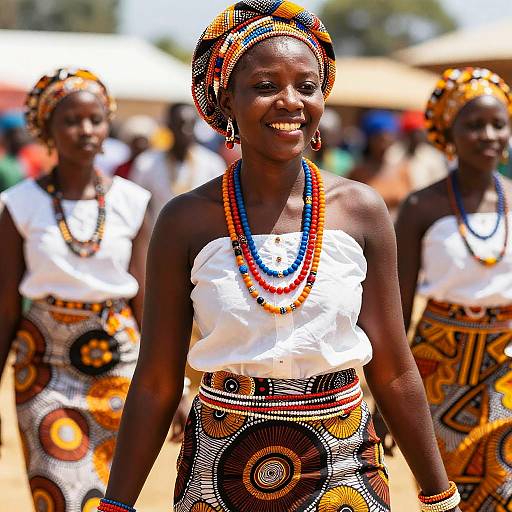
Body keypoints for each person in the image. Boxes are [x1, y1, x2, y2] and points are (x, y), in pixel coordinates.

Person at [100, 3, 461, 512]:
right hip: (219, 468)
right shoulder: (185, 221)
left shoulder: (361, 211)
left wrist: (439, 494)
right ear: (228, 100)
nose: (289, 101)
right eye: (266, 85)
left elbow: (394, 367)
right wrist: (117, 504)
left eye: (306, 86)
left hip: (344, 464)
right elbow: (159, 378)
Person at [0, 68, 151, 512]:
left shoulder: (132, 202)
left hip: (118, 359)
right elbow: (6, 305)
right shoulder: (19, 204)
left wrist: (174, 388)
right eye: (71, 120)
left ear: (107, 124)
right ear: (47, 129)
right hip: (43, 360)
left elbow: (147, 301)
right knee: (60, 493)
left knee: (109, 496)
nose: (85, 130)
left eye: (95, 119)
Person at [395, 67, 512, 510]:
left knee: (504, 484)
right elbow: (398, 304)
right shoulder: (421, 206)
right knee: (451, 490)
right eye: (474, 124)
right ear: (448, 132)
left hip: (507, 359)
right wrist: (389, 395)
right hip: (439, 361)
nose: (488, 135)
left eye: (498, 124)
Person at [130, 102, 225, 226]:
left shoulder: (212, 163)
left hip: (201, 240)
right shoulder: (146, 163)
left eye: (191, 125)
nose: (186, 130)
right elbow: (136, 206)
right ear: (169, 126)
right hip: (160, 239)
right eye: (180, 124)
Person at [349, 109, 411, 219]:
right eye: (380, 139)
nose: (384, 144)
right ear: (370, 140)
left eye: (388, 139)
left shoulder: (402, 169)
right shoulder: (359, 173)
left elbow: (410, 202)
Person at [312, 107, 354, 177]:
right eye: (322, 133)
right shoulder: (303, 158)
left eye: (331, 133)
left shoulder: (344, 160)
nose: (326, 137)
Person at [114, 115, 158, 180]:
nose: (140, 145)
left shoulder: (156, 168)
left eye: (144, 142)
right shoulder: (122, 169)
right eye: (136, 143)